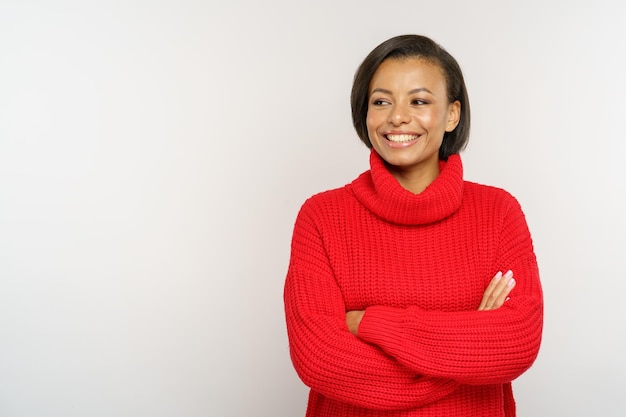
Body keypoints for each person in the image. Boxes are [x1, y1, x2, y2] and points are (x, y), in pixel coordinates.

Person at [283, 34, 543, 417]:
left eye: (419, 101)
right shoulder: (321, 216)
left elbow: (517, 341)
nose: (397, 116)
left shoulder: (498, 212)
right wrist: (471, 349)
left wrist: (371, 323)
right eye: (381, 101)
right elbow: (319, 359)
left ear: (452, 113)